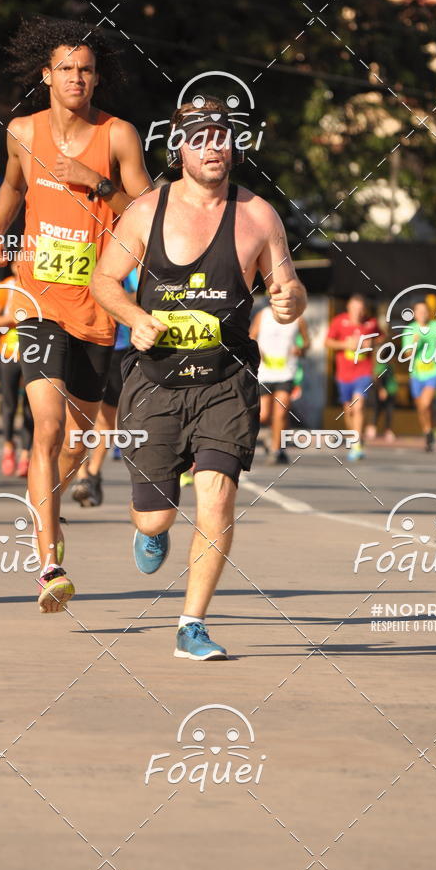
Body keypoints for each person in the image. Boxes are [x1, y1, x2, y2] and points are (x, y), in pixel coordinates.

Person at [90, 96, 306, 661]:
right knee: (155, 513)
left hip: (226, 380)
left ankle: (192, 624)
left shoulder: (259, 214)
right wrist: (135, 318)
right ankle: (152, 529)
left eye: (222, 137)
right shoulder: (145, 211)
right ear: (179, 147)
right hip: (155, 380)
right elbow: (104, 280)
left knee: (216, 496)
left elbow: (289, 286)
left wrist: (289, 302)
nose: (213, 147)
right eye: (200, 137)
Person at [0, 17, 152, 613]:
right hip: (37, 302)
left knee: (77, 444)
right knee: (48, 426)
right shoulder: (22, 131)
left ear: (96, 77)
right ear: (46, 76)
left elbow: (147, 211)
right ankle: (48, 560)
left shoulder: (118, 136)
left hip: (97, 305)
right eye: (66, 68)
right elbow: (11, 184)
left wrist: (95, 183)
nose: (76, 77)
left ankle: (55, 502)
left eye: (85, 68)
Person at [71, 268, 138, 506]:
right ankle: (81, 476)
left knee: (107, 416)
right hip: (80, 341)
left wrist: (109, 293)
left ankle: (94, 472)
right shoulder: (81, 256)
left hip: (117, 347)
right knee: (79, 415)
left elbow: (138, 297)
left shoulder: (125, 266)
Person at [0, 260, 33, 477]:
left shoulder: (39, 287)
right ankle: (8, 447)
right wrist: (13, 319)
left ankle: (26, 455)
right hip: (9, 352)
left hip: (37, 353)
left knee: (32, 407)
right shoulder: (6, 288)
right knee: (9, 403)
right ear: (13, 266)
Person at [250, 302, 309, 464]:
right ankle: (273, 435)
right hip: (264, 373)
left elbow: (307, 342)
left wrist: (300, 349)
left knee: (281, 412)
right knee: (264, 415)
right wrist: (257, 351)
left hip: (286, 372)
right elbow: (251, 336)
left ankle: (276, 450)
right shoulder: (263, 315)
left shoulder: (298, 319)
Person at [325, 294, 380, 461]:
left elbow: (382, 338)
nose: (358, 312)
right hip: (344, 374)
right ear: (348, 308)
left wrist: (372, 344)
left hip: (363, 371)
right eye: (355, 308)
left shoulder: (371, 323)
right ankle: (355, 437)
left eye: (361, 309)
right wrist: (345, 344)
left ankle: (356, 445)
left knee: (359, 404)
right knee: (348, 410)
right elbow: (327, 342)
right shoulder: (339, 322)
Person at [401, 299, 436, 452]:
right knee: (421, 408)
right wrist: (415, 344)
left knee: (426, 403)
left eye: (425, 311)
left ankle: (430, 431)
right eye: (419, 311)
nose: (422, 314)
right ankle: (428, 432)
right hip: (417, 373)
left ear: (429, 312)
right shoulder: (410, 330)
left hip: (435, 370)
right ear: (414, 314)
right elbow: (407, 355)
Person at [366, 358, 397, 443]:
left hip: (390, 391)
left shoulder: (389, 365)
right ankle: (372, 428)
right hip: (382, 391)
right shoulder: (382, 365)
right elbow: (377, 377)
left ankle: (387, 430)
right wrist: (381, 389)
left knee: (388, 412)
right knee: (377, 410)